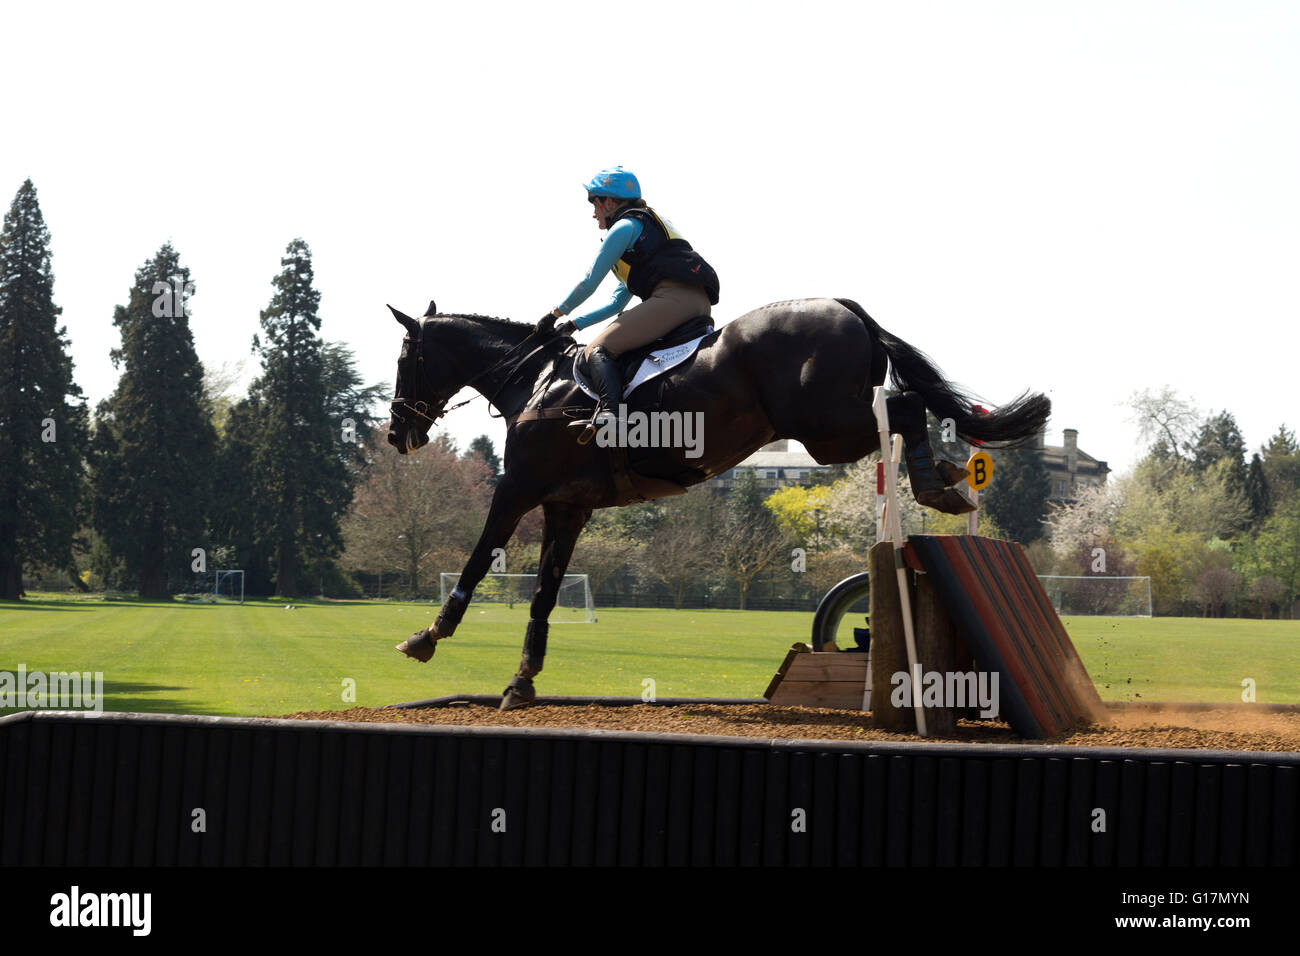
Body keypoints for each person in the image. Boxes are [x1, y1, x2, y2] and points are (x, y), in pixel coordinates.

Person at [536, 166, 719, 431]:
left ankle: (612, 415)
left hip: (673, 301)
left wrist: (554, 315)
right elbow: (617, 303)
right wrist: (575, 324)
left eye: (594, 203)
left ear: (609, 202)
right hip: (694, 303)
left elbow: (589, 282)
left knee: (597, 350)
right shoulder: (644, 231)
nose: (593, 212)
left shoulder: (622, 228)